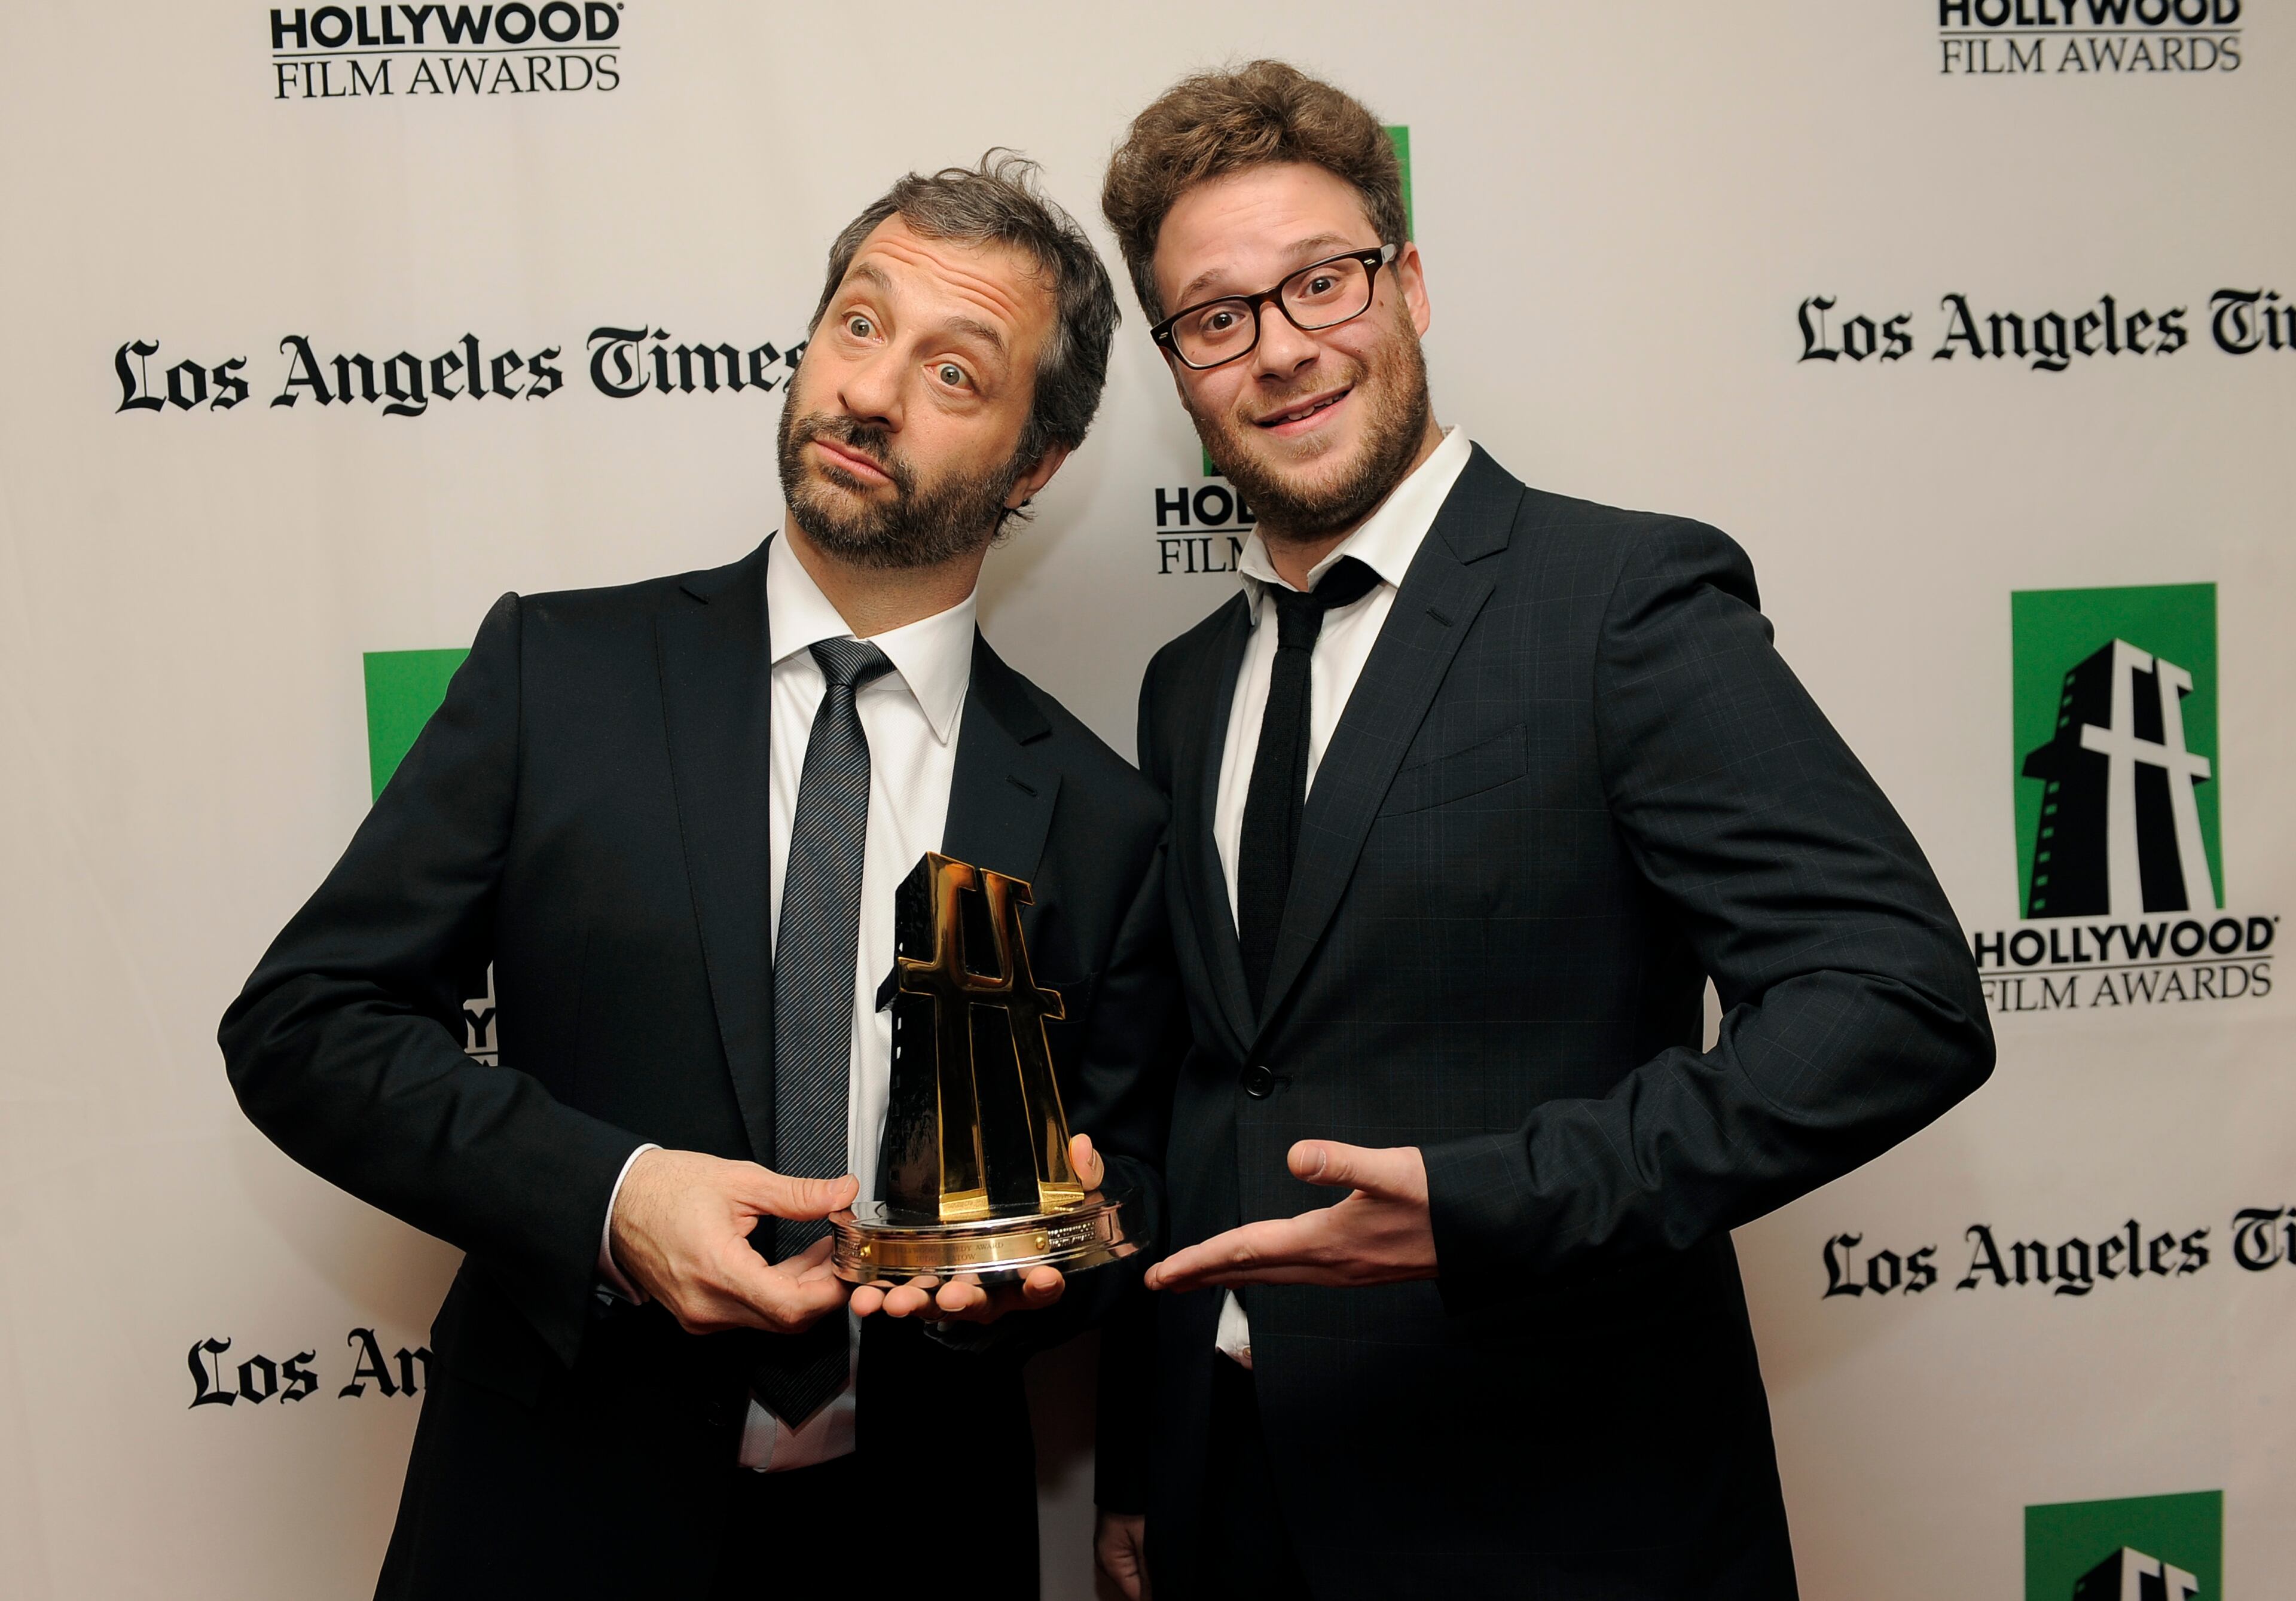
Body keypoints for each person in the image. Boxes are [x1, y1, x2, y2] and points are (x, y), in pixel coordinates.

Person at [1089, 62, 1995, 1600]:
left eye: (1323, 282)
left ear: (1412, 284)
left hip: (1557, 1508)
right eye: (1219, 317)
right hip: (1234, 1495)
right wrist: (1142, 1460)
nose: (1285, 349)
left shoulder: (1619, 603)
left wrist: (1498, 1201)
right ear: (1178, 365)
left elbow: (1894, 1000)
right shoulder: (1187, 686)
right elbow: (1204, 1086)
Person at [220, 152, 1178, 1601]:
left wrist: (1022, 1280)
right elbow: (302, 1027)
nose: (872, 390)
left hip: (914, 1538)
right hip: (552, 1521)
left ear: (1033, 465)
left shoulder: (1100, 815)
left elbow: (1130, 1181)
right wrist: (608, 1194)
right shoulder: (563, 674)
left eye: (954, 371)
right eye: (859, 324)